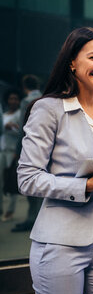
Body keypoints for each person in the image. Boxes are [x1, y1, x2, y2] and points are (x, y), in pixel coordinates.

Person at [17, 27, 93, 294]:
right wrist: (87, 185)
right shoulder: (48, 109)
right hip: (60, 243)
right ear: (72, 61)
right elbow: (27, 178)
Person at [11, 74, 43, 232]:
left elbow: (23, 129)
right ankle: (36, 218)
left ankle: (32, 219)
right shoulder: (45, 99)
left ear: (25, 86)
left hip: (29, 148)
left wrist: (17, 151)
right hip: (45, 148)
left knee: (30, 185)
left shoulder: (26, 102)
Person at [1, 89, 22, 222]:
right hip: (2, 150)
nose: (12, 101)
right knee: (2, 181)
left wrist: (13, 127)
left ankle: (10, 210)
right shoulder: (3, 114)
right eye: (10, 98)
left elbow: (21, 133)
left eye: (15, 98)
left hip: (13, 152)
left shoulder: (20, 114)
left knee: (13, 180)